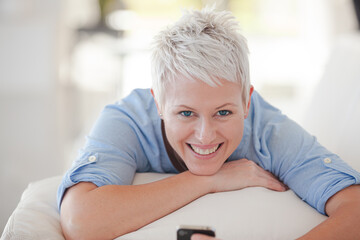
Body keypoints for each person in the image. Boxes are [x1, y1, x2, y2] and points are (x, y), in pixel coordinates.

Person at [58, 8, 360, 240]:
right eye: (186, 113)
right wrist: (207, 180)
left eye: (224, 113)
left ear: (246, 103)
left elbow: (355, 209)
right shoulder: (126, 120)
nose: (205, 136)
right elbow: (80, 221)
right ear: (159, 104)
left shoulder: (268, 131)